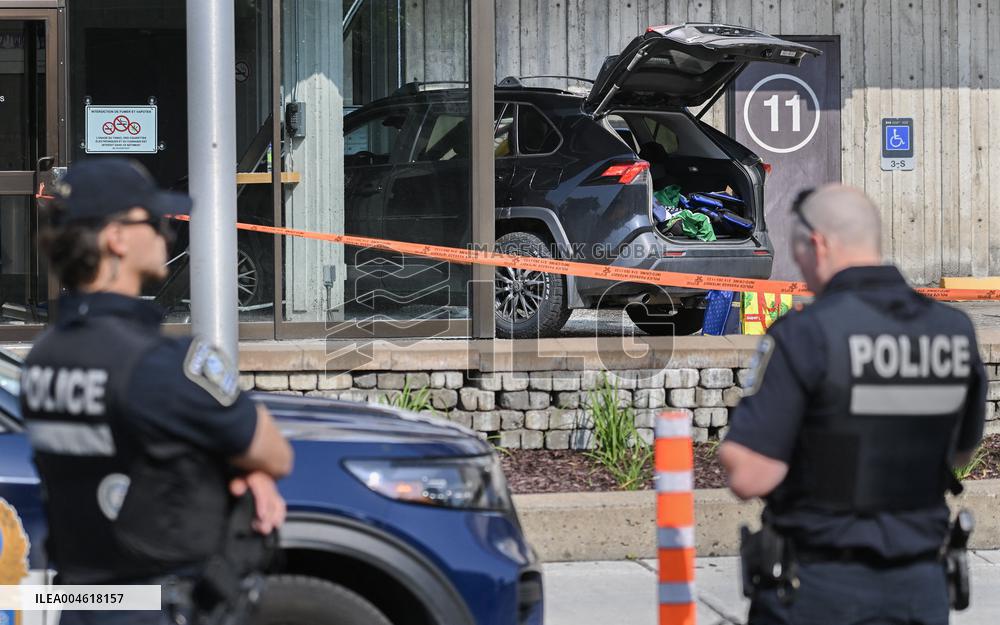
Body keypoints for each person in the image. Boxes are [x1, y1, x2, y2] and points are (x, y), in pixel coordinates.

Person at [21, 158, 294, 625]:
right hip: (156, 608)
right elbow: (275, 454)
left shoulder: (44, 356)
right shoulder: (156, 363)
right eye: (155, 221)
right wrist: (249, 469)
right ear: (116, 238)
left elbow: (140, 444)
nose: (168, 235)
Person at [719, 184, 986, 625]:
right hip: (921, 590)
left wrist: (731, 452)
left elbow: (751, 474)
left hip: (819, 588)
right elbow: (959, 452)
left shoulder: (806, 333)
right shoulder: (953, 329)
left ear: (817, 244)